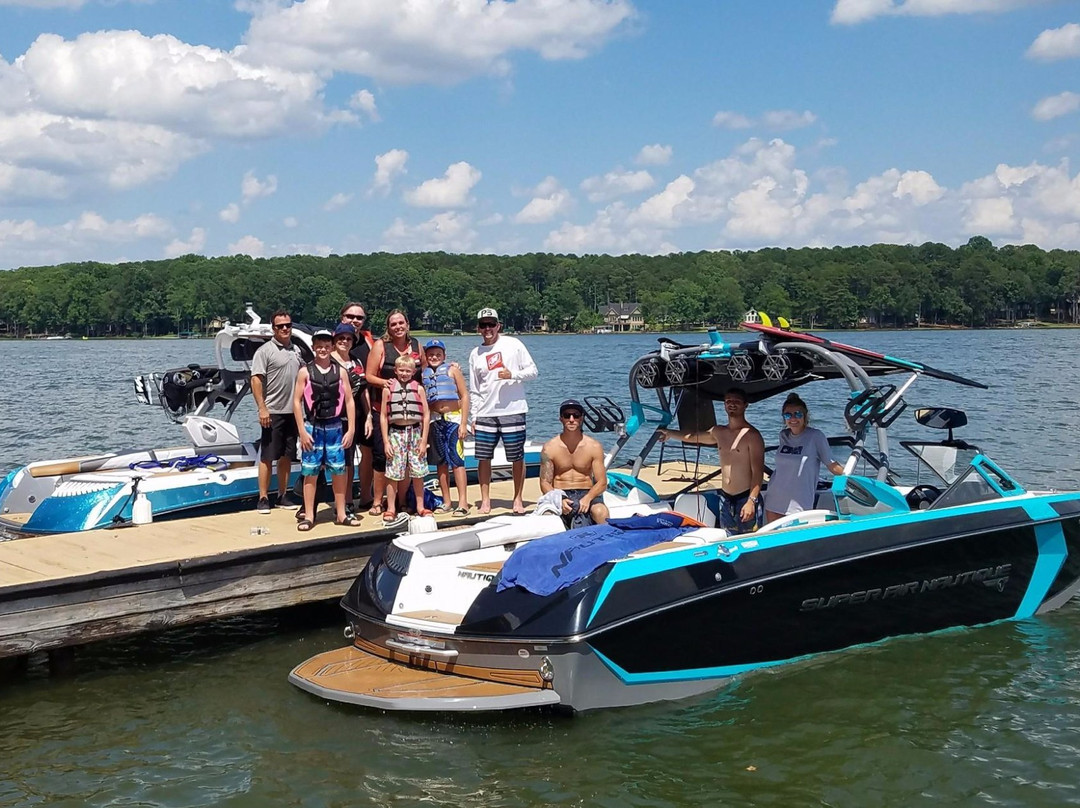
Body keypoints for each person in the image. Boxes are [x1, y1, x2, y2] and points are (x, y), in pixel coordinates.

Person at [657, 387, 765, 534]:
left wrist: (751, 501)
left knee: (749, 541)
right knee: (727, 539)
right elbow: (693, 436)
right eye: (728, 401)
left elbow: (757, 472)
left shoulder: (752, 436)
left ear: (745, 405)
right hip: (725, 498)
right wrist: (670, 433)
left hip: (745, 498)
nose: (732, 404)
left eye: (736, 401)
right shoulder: (718, 432)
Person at [468, 307, 538, 515]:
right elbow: (474, 388)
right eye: (483, 325)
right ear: (478, 328)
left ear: (498, 325)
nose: (487, 328)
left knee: (516, 456)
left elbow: (533, 371)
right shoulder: (475, 353)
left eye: (491, 324)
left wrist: (512, 374)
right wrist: (474, 415)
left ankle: (518, 499)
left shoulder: (513, 344)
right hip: (486, 413)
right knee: (483, 458)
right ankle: (485, 501)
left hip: (513, 410)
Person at [292, 329, 358, 531]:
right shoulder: (305, 371)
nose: (323, 349)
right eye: (319, 346)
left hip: (335, 426)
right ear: (313, 348)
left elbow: (349, 401)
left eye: (326, 346)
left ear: (331, 348)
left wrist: (351, 429)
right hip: (312, 426)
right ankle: (310, 515)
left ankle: (341, 513)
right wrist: (302, 431)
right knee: (310, 472)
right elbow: (296, 401)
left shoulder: (341, 372)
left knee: (339, 471)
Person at [366, 310, 421, 517]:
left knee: (408, 460)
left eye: (401, 323)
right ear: (388, 327)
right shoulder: (381, 346)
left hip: (410, 415)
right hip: (384, 410)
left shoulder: (416, 345)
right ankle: (379, 501)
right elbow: (369, 375)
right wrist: (386, 383)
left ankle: (402, 501)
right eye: (393, 324)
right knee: (383, 457)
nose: (398, 327)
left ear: (407, 324)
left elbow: (424, 370)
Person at [251, 309, 303, 514]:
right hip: (272, 411)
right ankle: (263, 497)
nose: (284, 329)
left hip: (293, 411)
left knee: (287, 456)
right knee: (268, 455)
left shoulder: (297, 351)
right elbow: (256, 379)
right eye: (280, 326)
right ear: (273, 328)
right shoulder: (265, 351)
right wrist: (262, 408)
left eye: (288, 325)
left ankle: (282, 494)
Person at [764, 392, 845, 523]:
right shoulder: (783, 435)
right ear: (784, 418)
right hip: (774, 498)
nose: (793, 418)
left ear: (805, 415)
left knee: (794, 539)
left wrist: (853, 480)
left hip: (799, 503)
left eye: (798, 414)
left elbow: (832, 465)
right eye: (788, 415)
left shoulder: (816, 436)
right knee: (778, 540)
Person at [539, 399, 610, 528]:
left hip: (586, 492)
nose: (571, 419)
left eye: (576, 415)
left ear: (581, 418)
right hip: (560, 493)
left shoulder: (594, 446)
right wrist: (560, 500)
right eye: (567, 415)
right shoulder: (549, 448)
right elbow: (545, 482)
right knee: (547, 517)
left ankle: (607, 543)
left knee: (601, 512)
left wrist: (588, 498)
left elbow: (602, 482)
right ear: (561, 418)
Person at [422, 339, 470, 517]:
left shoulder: (453, 370)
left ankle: (463, 502)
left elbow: (465, 396)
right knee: (440, 463)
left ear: (444, 355)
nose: (434, 357)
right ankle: (447, 501)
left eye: (438, 354)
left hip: (453, 419)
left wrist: (464, 423)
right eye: (431, 354)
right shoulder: (423, 374)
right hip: (435, 420)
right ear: (426, 356)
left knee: (457, 461)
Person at [381, 354, 431, 523]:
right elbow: (383, 416)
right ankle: (391, 508)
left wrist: (424, 440)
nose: (404, 374)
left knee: (418, 472)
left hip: (415, 433)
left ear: (413, 372)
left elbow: (425, 415)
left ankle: (420, 506)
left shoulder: (419, 388)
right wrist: (386, 441)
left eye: (407, 371)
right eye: (401, 370)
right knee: (393, 473)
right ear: (395, 371)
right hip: (396, 433)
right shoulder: (388, 389)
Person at [331, 322, 372, 515]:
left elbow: (363, 390)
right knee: (335, 462)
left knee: (349, 460)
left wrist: (369, 414)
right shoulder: (328, 361)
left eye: (348, 339)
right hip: (332, 418)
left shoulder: (356, 362)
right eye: (341, 338)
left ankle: (348, 500)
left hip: (355, 416)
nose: (344, 342)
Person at [339, 302, 376, 509]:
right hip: (338, 413)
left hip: (364, 407)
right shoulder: (335, 342)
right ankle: (344, 500)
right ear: (342, 317)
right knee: (345, 456)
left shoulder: (369, 343)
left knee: (368, 452)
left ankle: (365, 495)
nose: (355, 320)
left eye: (359, 318)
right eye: (350, 316)